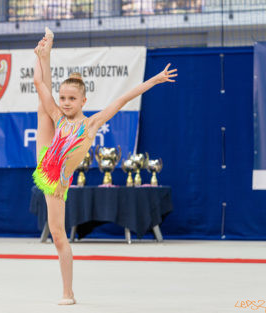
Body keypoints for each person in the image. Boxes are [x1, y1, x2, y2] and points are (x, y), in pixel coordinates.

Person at [32, 28, 177, 305]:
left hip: (56, 181)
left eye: (71, 99)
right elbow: (39, 83)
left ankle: (68, 292)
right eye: (62, 98)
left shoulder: (91, 123)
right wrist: (40, 57)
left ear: (83, 101)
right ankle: (48, 51)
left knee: (59, 236)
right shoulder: (58, 116)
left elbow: (122, 99)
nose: (65, 103)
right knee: (42, 104)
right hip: (44, 159)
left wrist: (154, 80)